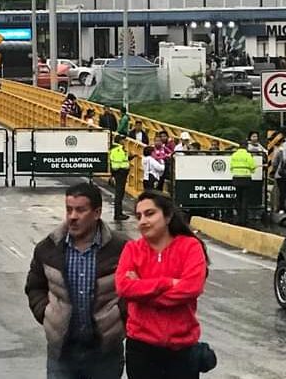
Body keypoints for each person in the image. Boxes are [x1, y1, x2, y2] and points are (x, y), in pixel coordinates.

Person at [25, 182, 129, 379]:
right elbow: (35, 287)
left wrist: (119, 318)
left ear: (97, 213)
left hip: (105, 353)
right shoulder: (48, 248)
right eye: (69, 209)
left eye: (80, 210)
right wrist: (47, 314)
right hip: (62, 354)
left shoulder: (122, 248)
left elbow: (134, 289)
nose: (72, 216)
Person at [115, 191, 210, 379]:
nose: (143, 221)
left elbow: (191, 288)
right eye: (139, 216)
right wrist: (167, 283)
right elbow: (124, 287)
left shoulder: (190, 247)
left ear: (167, 216)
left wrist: (142, 291)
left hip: (182, 350)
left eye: (150, 214)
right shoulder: (132, 249)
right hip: (141, 349)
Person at [230, 142, 257, 225]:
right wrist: (251, 171)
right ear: (246, 147)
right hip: (246, 178)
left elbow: (231, 167)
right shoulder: (248, 155)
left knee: (238, 198)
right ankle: (244, 219)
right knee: (245, 199)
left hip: (236, 178)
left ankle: (238, 217)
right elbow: (252, 167)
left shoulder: (234, 155)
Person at [109, 137, 132, 221]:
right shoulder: (118, 149)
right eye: (123, 140)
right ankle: (118, 214)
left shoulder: (118, 149)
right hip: (120, 173)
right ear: (119, 141)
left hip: (120, 173)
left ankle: (119, 213)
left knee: (120, 193)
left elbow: (123, 160)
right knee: (119, 194)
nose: (124, 141)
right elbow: (119, 162)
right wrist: (122, 170)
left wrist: (130, 158)